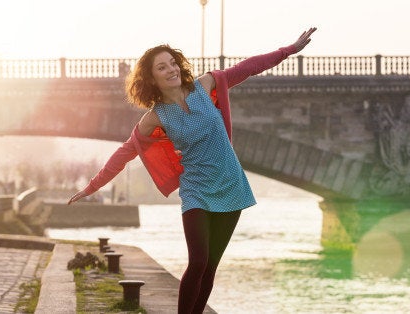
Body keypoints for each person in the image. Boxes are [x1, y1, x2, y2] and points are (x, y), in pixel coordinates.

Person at [68, 27, 317, 314]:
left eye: (173, 62)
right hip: (196, 189)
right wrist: (91, 187)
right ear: (151, 78)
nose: (171, 69)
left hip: (230, 184)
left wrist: (288, 50)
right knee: (198, 261)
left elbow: (248, 67)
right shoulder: (155, 117)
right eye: (162, 67)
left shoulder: (207, 84)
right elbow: (125, 152)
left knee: (210, 266)